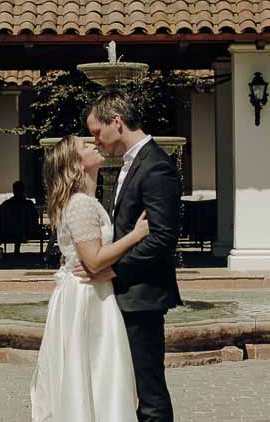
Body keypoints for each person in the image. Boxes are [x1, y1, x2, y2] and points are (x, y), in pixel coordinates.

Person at [77, 88, 182, 422]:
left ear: (117, 122)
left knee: (148, 389)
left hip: (142, 296)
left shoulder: (156, 167)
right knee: (126, 385)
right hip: (125, 295)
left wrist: (115, 269)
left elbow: (163, 238)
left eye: (97, 132)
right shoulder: (130, 163)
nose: (96, 141)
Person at [30, 135, 150, 422]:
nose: (94, 145)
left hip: (91, 289)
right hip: (88, 295)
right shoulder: (82, 203)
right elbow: (94, 259)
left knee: (95, 371)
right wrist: (136, 235)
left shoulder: (85, 201)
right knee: (97, 367)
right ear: (76, 164)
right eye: (85, 146)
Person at [0, 181, 38, 254]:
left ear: (13, 190)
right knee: (19, 226)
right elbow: (34, 217)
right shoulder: (28, 204)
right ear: (23, 190)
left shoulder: (6, 204)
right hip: (25, 229)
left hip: (9, 229)